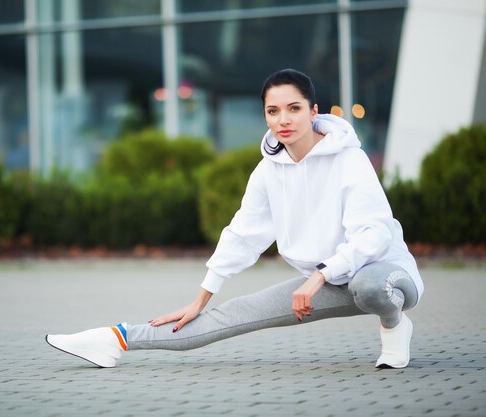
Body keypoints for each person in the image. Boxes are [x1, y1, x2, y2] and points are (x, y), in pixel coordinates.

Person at [46, 68, 424, 369]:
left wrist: (319, 276)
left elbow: (372, 233)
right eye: (273, 111)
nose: (283, 120)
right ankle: (115, 339)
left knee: (372, 288)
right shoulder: (268, 171)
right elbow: (243, 234)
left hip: (384, 271)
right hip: (322, 281)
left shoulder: (348, 159)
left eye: (294, 108)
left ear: (313, 111)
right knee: (227, 317)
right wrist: (201, 297)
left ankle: (393, 326)